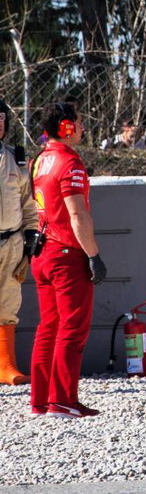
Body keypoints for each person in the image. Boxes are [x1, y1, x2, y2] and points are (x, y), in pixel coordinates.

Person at [28, 103, 108, 417]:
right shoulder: (69, 162)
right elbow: (77, 214)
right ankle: (63, 399)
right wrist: (94, 255)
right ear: (66, 126)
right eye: (79, 122)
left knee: (48, 327)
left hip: (43, 251)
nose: (83, 128)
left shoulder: (39, 160)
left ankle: (42, 400)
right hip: (66, 254)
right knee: (72, 328)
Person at [0, 97, 40, 386]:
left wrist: (30, 234)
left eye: (2, 118)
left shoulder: (16, 158)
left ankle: (5, 365)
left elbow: (28, 202)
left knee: (8, 302)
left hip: (11, 241)